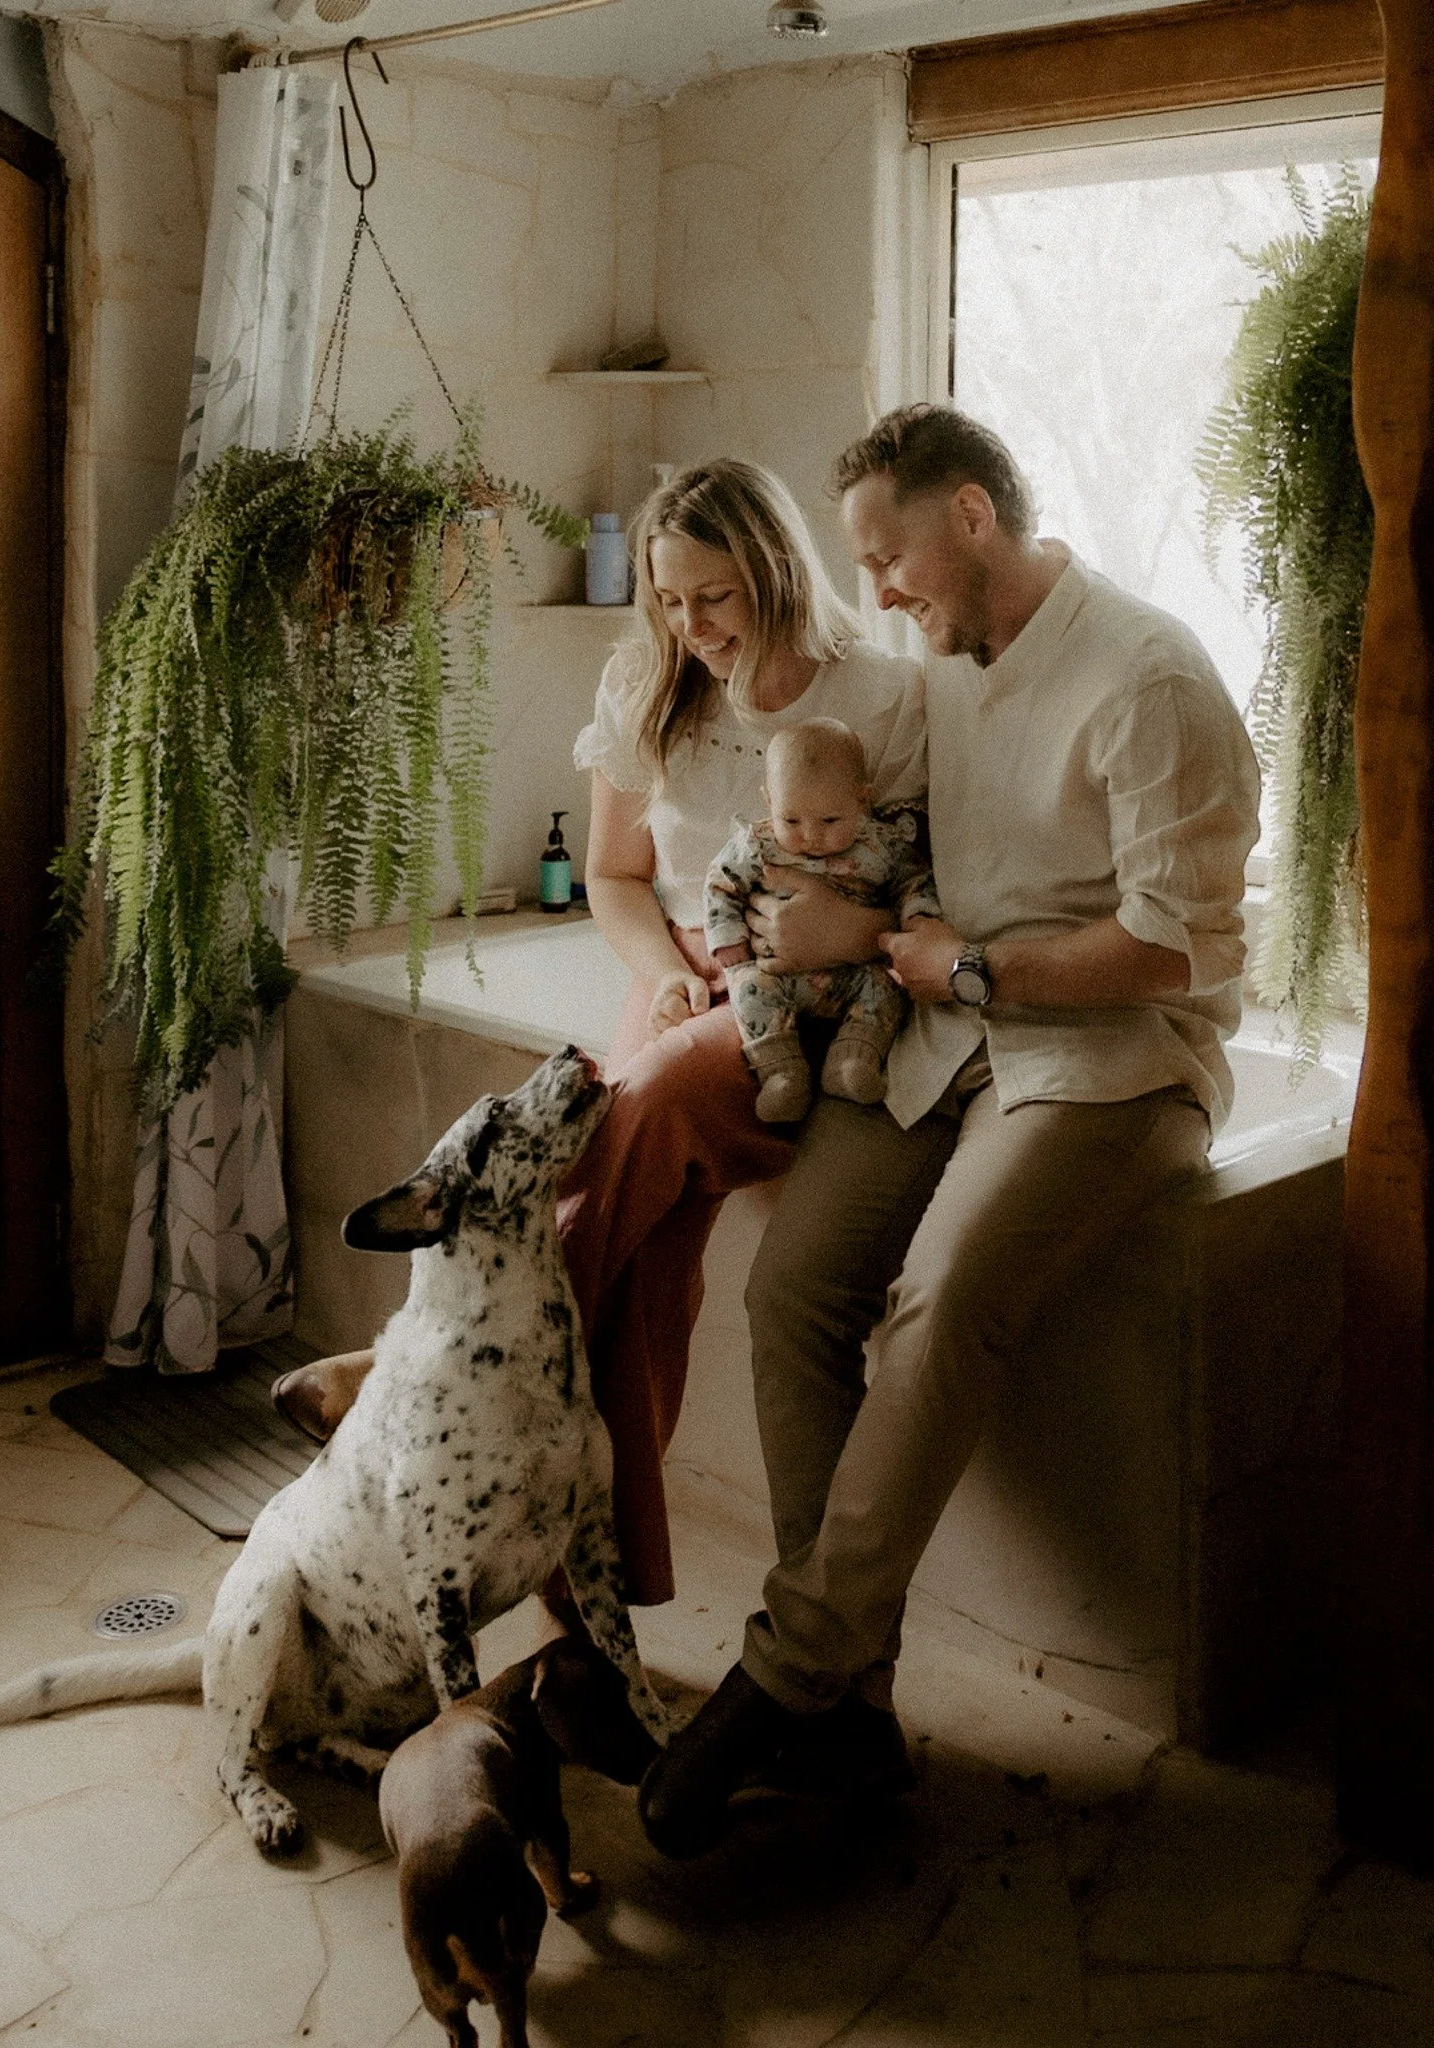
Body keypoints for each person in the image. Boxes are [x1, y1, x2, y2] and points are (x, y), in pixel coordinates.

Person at [639, 404, 1263, 1856]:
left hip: (1112, 1061)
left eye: (889, 554)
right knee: (794, 1288)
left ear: (970, 514)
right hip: (945, 1036)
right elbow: (855, 829)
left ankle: (789, 1673)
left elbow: (1180, 954)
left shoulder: (1145, 677)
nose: (882, 591)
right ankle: (851, 1717)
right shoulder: (948, 671)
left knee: (940, 1304)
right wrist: (839, 926)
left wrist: (961, 969)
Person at [272, 458, 925, 1613]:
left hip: (809, 998)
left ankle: (417, 1358)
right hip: (683, 972)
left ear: (774, 571)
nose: (691, 624)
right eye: (669, 600)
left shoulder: (876, 694)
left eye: (713, 597)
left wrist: (843, 933)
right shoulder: (650, 682)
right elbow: (619, 880)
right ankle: (592, 1618)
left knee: (652, 1103)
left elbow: (917, 888)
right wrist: (665, 974)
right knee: (646, 1272)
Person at [705, 717, 939, 1123]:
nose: (810, 835)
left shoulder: (880, 844)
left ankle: (852, 1059)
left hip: (851, 972)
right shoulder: (756, 845)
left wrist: (918, 916)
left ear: (861, 800)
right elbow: (720, 885)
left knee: (884, 990)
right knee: (747, 989)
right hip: (774, 974)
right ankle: (780, 1073)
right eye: (791, 820)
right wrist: (729, 941)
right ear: (769, 801)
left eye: (830, 821)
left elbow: (913, 882)